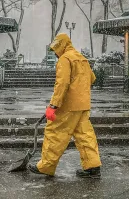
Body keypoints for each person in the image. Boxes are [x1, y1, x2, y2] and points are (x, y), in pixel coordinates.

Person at [28, 33, 102, 178]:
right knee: (85, 136)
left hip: (68, 106)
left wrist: (53, 106)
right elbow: (92, 78)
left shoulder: (65, 59)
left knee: (55, 134)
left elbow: (62, 84)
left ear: (61, 46)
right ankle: (93, 166)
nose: (55, 53)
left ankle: (46, 166)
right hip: (83, 105)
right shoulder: (82, 59)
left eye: (56, 49)